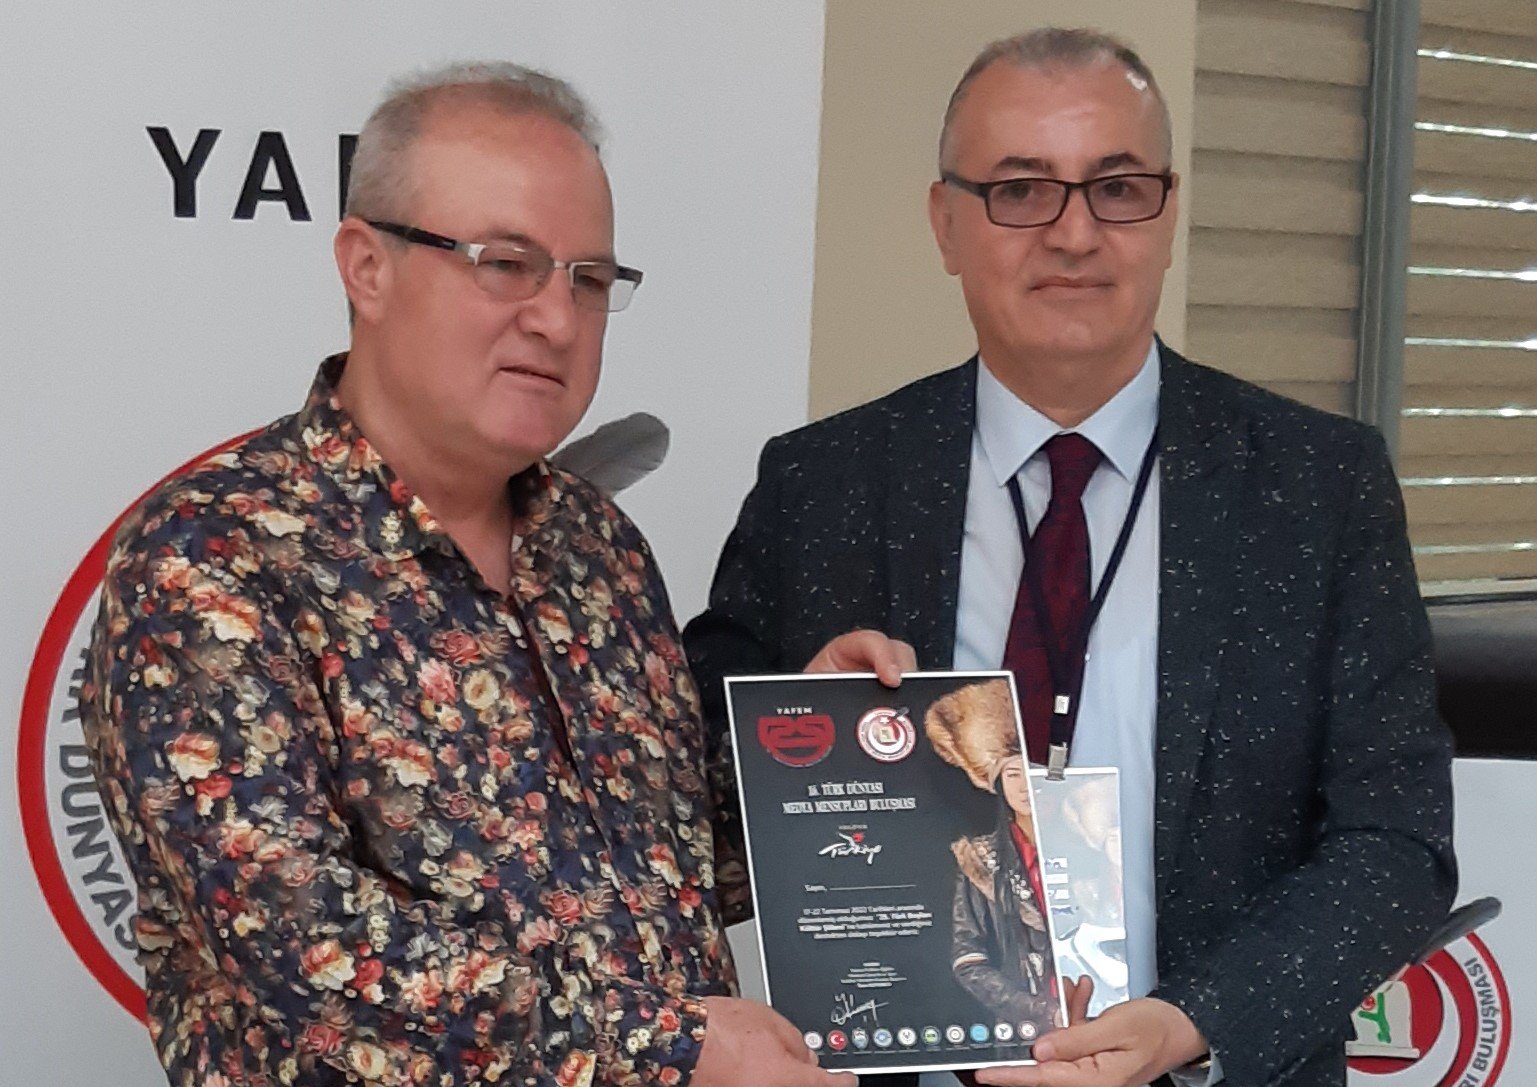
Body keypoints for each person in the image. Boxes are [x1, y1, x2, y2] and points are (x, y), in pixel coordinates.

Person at [684, 28, 1456, 1087]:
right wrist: (790, 738)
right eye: (1020, 191)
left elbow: (1396, 843)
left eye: (1118, 188)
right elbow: (681, 813)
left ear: (1167, 216)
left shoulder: (1316, 488)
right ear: (945, 222)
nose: (1075, 233)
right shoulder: (821, 486)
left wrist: (1192, 1021)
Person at [79, 63, 841, 1087]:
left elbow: (668, 872)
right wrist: (674, 1049)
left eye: (589, 280)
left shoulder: (598, 547)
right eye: (505, 264)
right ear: (367, 267)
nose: (558, 319)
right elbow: (300, 942)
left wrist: (818, 753)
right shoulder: (211, 554)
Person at [924, 680, 1058, 1035]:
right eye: (1013, 774)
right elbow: (967, 959)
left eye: (1032, 773)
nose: (1025, 786)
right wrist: (1032, 1008)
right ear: (998, 783)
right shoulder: (979, 860)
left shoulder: (1087, 848)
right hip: (1023, 1030)